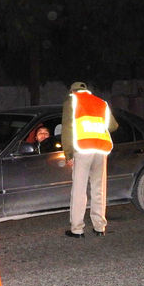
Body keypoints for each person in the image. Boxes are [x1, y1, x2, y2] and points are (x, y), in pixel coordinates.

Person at [61, 81, 118, 238]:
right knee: (99, 189)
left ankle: (77, 229)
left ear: (72, 91)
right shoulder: (101, 102)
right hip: (100, 150)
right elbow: (113, 125)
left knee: (79, 191)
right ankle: (99, 227)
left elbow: (67, 128)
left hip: (83, 149)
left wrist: (68, 153)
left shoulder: (72, 101)